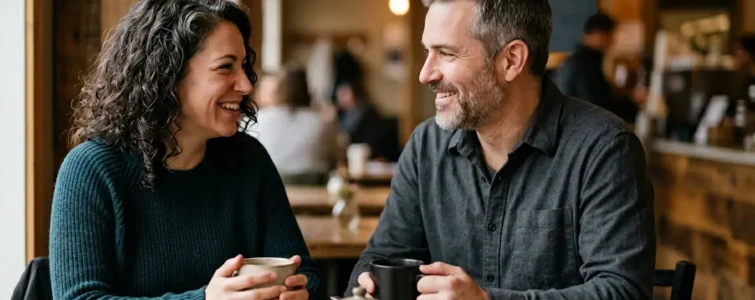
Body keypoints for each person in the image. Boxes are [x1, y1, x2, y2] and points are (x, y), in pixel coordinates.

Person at [345, 0, 655, 299]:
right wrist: (371, 287)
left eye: (446, 54)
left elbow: (622, 291)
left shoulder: (603, 149)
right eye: (428, 52)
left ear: (511, 60)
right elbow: (381, 258)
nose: (426, 74)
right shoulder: (426, 147)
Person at [48, 1, 322, 299]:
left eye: (243, 66)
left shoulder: (249, 160)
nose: (245, 84)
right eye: (225, 67)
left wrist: (297, 291)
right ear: (168, 74)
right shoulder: (92, 170)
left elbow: (304, 273)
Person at [253, 65, 338, 185]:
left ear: (278, 91)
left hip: (267, 196)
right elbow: (335, 160)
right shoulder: (321, 122)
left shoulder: (257, 120)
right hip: (315, 195)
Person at [554, 12, 645, 123]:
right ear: (598, 34)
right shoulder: (585, 62)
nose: (612, 41)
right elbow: (597, 104)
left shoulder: (580, 59)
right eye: (610, 36)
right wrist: (632, 105)